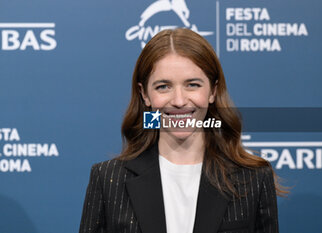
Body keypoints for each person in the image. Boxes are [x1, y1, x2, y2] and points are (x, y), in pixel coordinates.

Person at [79, 28, 286, 233]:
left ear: (213, 91)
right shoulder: (107, 179)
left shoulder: (254, 177)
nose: (179, 101)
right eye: (163, 87)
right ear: (145, 95)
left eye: (192, 85)